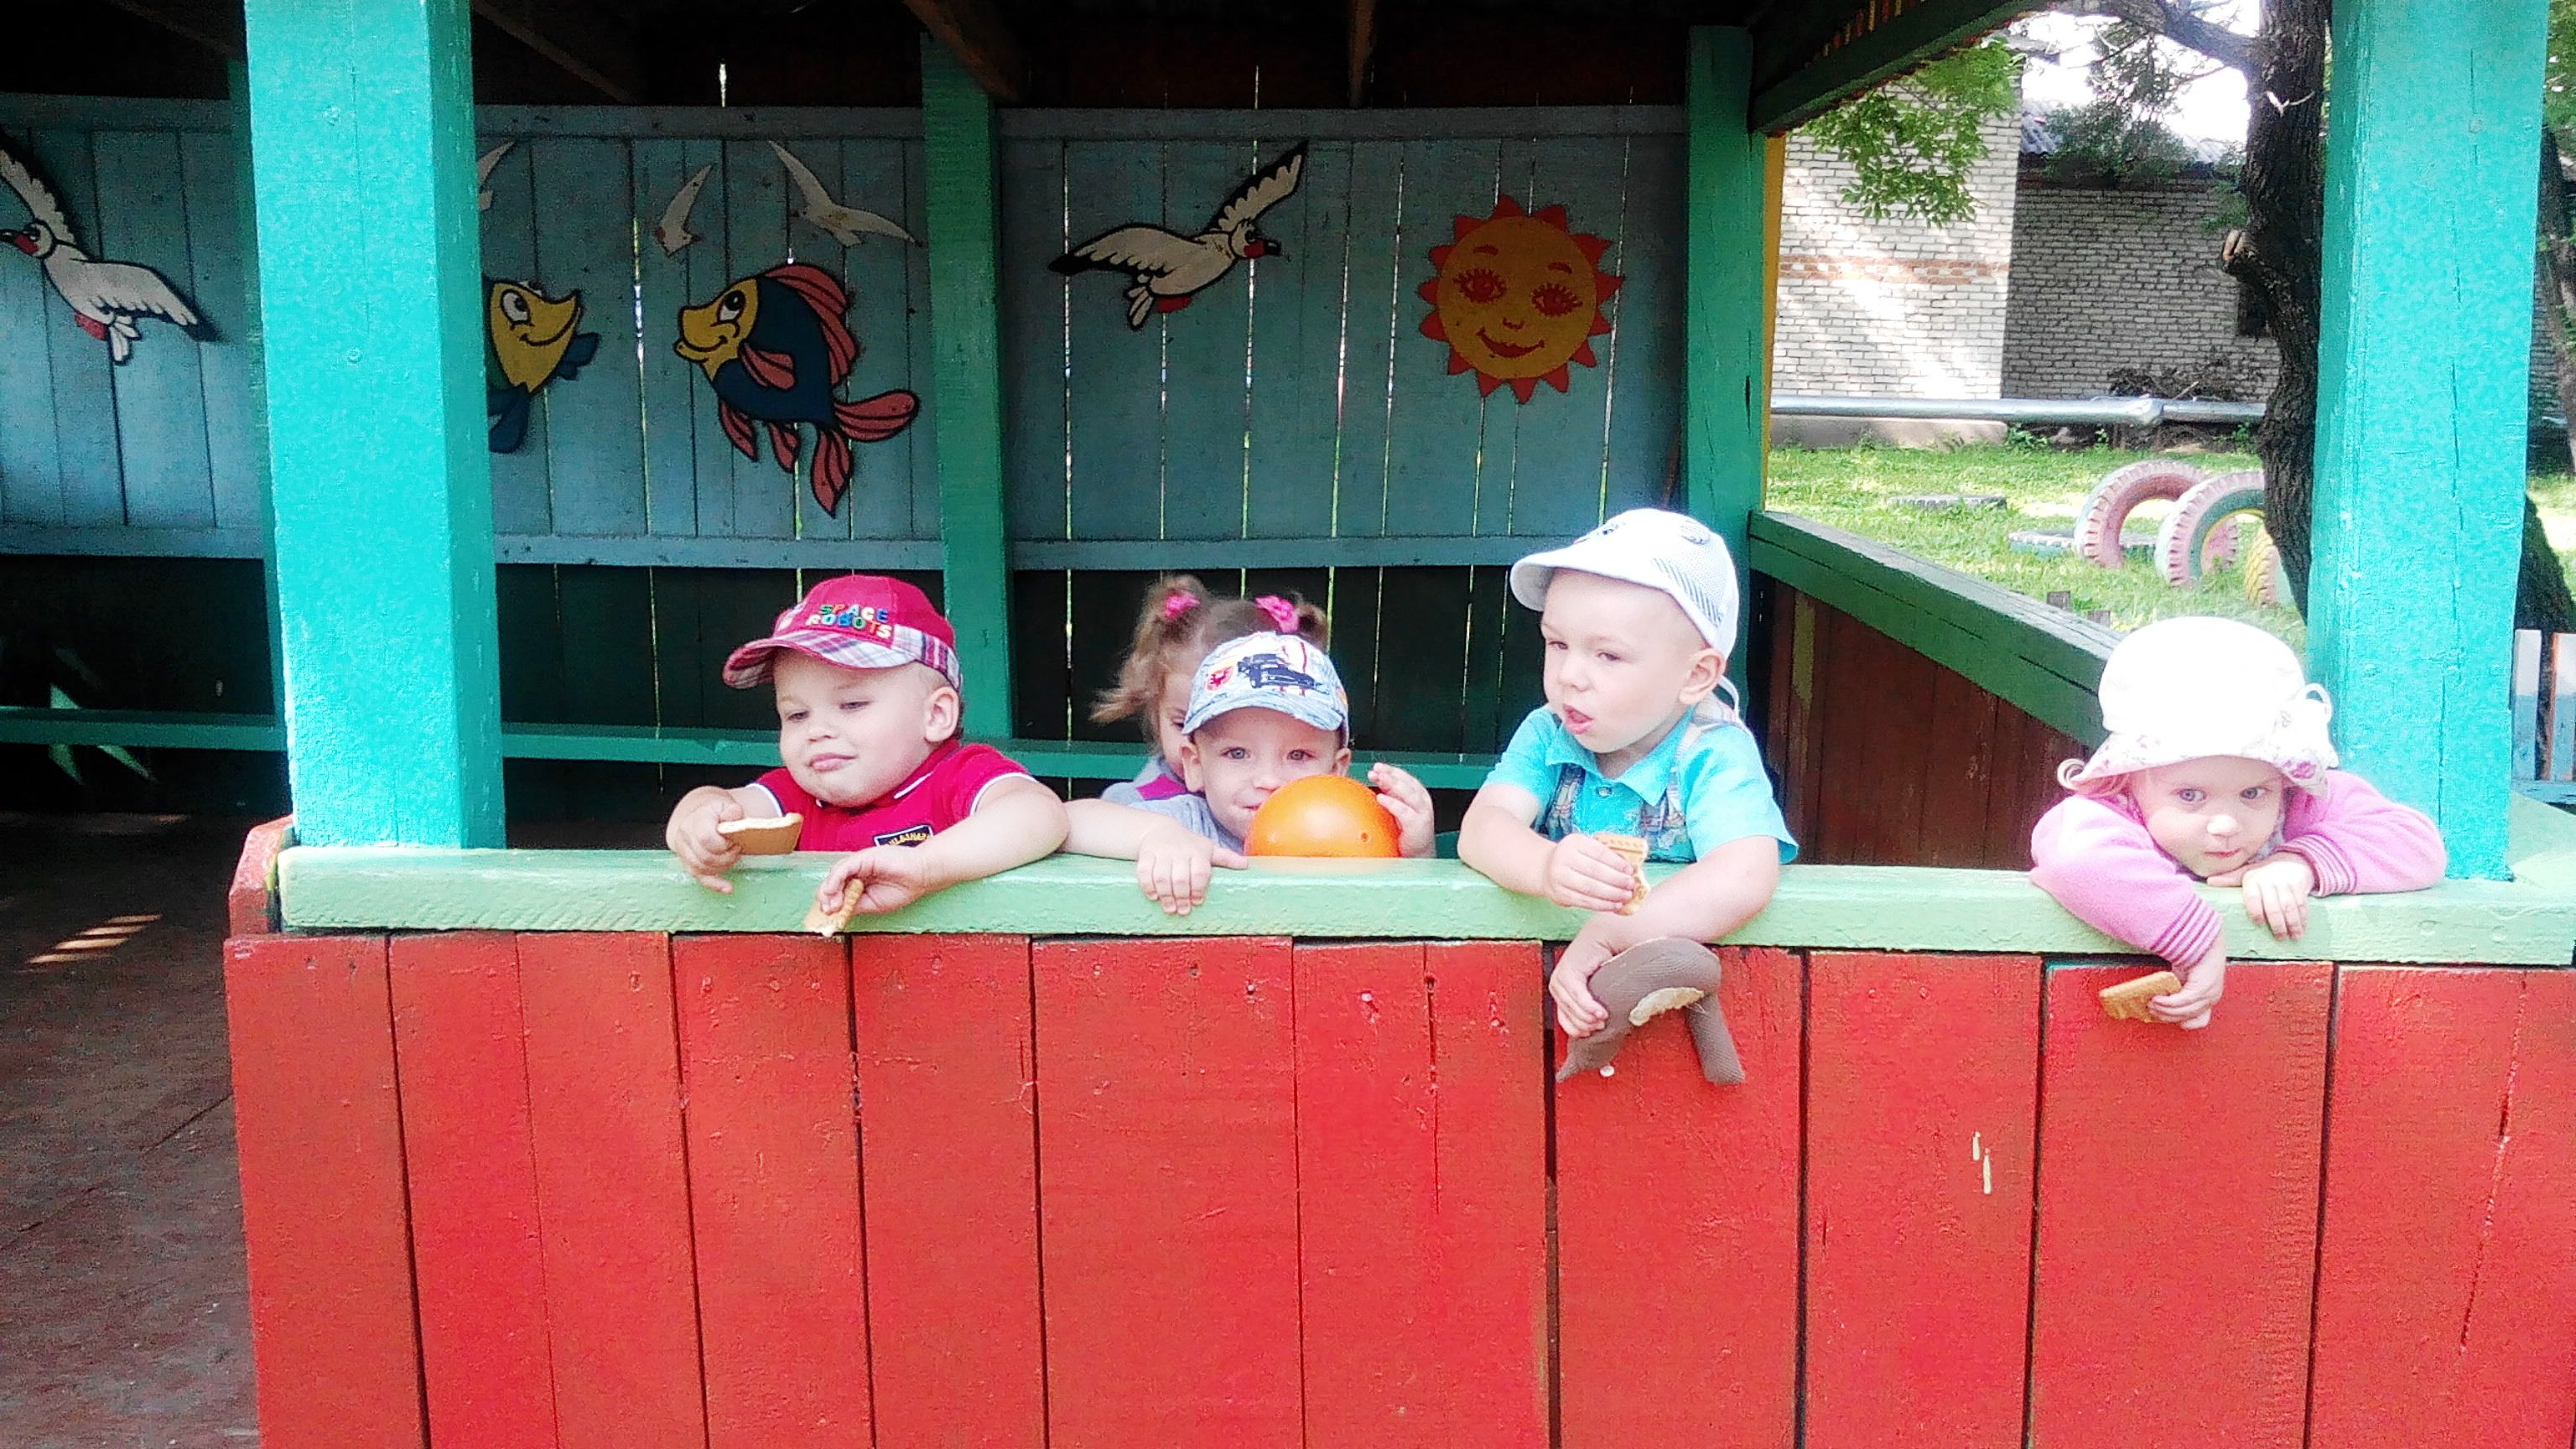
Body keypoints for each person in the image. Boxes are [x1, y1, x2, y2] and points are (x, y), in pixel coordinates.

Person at [1457, 509, 1796, 1041]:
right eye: (1557, 644)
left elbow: (1745, 875)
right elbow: (1483, 827)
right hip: (1535, 1007)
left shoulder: (1711, 750)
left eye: (1609, 655)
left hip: (1678, 1015)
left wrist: (1612, 933)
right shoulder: (1548, 732)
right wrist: (1543, 866)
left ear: (1696, 675)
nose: (1570, 676)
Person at [2030, 616, 2444, 1027]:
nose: (2226, 824)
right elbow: (2073, 855)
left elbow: (2417, 844)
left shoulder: (2299, 801)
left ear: (2284, 779)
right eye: (2190, 795)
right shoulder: (2116, 813)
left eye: (2252, 794)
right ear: (2129, 778)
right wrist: (2194, 939)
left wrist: (2300, 862)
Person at [662, 574, 1067, 919]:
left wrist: (925, 866)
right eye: (797, 715)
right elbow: (718, 804)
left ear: (935, 715)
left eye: (852, 705)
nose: (817, 730)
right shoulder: (795, 797)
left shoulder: (959, 777)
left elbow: (1041, 814)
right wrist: (698, 826)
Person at [1063, 630, 1436, 913]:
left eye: (1299, 755)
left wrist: (1417, 854)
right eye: (1237, 753)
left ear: (1337, 771)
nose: (1268, 779)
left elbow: (1415, 914)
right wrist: (1157, 836)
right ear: (1195, 765)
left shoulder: (1359, 830)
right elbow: (1067, 821)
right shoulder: (1187, 824)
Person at [1090, 575, 1329, 806]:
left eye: (1236, 749)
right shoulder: (1136, 807)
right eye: (1182, 724)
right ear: (1156, 713)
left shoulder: (1304, 798)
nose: (1197, 744)